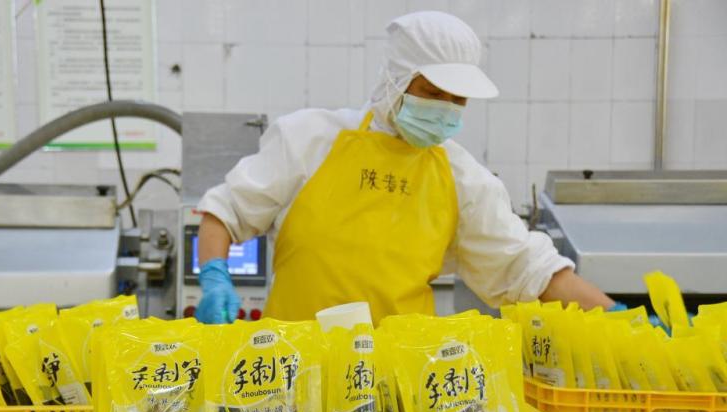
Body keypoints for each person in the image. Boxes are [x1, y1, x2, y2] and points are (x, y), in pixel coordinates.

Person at [195, 11, 615, 325]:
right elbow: (223, 212)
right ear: (397, 79)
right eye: (432, 92)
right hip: (294, 374)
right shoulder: (310, 139)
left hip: (397, 385)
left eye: (459, 100)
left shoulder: (464, 179)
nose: (446, 109)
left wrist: (622, 319)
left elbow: (531, 270)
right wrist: (215, 275)